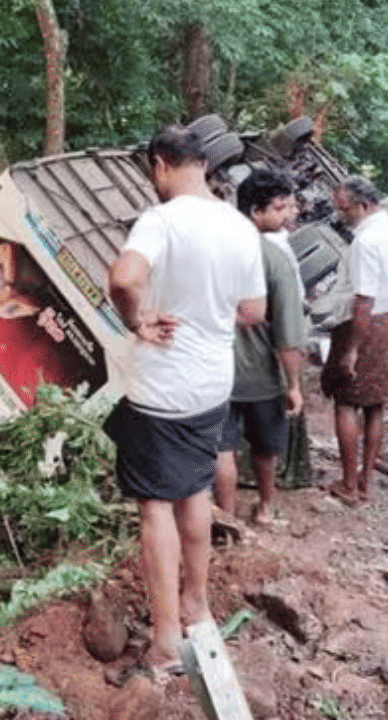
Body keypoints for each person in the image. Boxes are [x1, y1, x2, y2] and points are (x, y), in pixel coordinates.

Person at [104, 126, 266, 678]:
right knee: (194, 490)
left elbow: (124, 278)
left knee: (155, 505)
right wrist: (209, 314)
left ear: (160, 164)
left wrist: (138, 319)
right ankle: (196, 605)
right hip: (212, 384)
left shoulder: (162, 220)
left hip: (163, 387)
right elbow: (253, 310)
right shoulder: (239, 225)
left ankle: (166, 640)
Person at [214, 169, 308, 526]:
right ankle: (266, 507)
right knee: (265, 446)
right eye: (279, 208)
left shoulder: (214, 248)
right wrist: (294, 384)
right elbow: (289, 332)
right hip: (261, 374)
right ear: (256, 210)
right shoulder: (274, 258)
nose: (287, 216)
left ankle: (225, 518)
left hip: (215, 368)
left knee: (222, 448)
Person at [321, 176, 388, 505]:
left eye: (343, 208)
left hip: (362, 325)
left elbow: (364, 300)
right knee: (376, 405)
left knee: (345, 401)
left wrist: (352, 349)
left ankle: (348, 484)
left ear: (362, 205)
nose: (340, 214)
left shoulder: (365, 242)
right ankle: (366, 481)